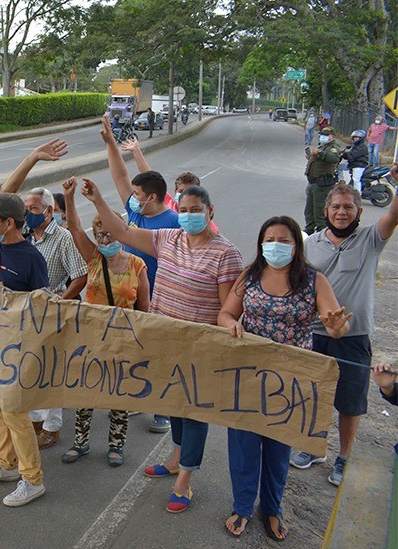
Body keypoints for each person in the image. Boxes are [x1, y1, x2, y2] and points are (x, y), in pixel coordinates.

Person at [82, 180, 243, 513]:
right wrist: (98, 200)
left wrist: (227, 332)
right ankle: (175, 457)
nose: (188, 216)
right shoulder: (168, 239)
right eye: (182, 210)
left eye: (195, 210)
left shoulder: (226, 253)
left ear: (210, 212)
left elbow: (229, 308)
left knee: (195, 411)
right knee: (173, 402)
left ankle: (184, 482)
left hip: (200, 347)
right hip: (164, 340)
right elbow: (123, 232)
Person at [217, 215, 351, 541]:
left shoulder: (313, 281)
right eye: (270, 239)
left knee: (278, 450)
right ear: (261, 244)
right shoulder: (249, 276)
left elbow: (337, 325)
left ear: (297, 245)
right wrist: (231, 324)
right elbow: (226, 313)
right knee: (244, 446)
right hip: (249, 375)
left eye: (284, 240)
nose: (276, 245)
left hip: (291, 381)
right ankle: (242, 506)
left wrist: (335, 326)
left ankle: (272, 508)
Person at [290, 181, 398, 486]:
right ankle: (315, 448)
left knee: (350, 402)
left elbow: (393, 215)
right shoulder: (310, 244)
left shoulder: (371, 239)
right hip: (315, 334)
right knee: (313, 395)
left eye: (348, 207)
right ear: (326, 210)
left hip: (354, 339)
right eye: (336, 206)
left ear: (359, 212)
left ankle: (344, 456)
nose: (341, 212)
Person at [60, 178, 149, 466]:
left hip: (122, 338)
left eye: (109, 235)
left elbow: (143, 308)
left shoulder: (137, 265)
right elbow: (74, 229)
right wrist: (69, 198)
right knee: (85, 391)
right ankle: (80, 442)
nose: (105, 241)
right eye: (100, 236)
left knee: (118, 394)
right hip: (91, 336)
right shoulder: (94, 259)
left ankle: (116, 445)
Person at [0, 193, 50, 507]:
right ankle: (6, 464)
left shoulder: (32, 258)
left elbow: (42, 307)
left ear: (9, 223)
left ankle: (32, 479)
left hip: (16, 350)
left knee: (15, 413)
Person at [102, 116, 180, 434]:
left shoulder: (176, 222)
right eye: (133, 193)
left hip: (160, 296)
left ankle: (164, 409)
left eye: (138, 193)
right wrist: (110, 143)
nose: (131, 196)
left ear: (154, 196)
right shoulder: (135, 212)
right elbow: (120, 175)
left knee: (160, 350)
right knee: (132, 347)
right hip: (129, 293)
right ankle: (138, 396)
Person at [24, 186, 88, 449]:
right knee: (32, 369)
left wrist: (60, 301)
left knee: (51, 371)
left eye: (34, 209)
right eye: (26, 209)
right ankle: (35, 421)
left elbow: (81, 275)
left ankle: (51, 428)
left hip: (54, 314)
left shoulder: (63, 238)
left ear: (49, 211)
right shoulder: (25, 237)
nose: (29, 214)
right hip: (29, 314)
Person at [303, 126, 344, 236]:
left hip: (322, 184)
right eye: (321, 135)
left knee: (320, 211)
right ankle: (309, 229)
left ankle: (321, 233)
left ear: (332, 137)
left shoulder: (333, 147)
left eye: (325, 135)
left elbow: (334, 158)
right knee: (309, 210)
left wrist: (320, 154)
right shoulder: (323, 146)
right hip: (313, 182)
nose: (322, 137)